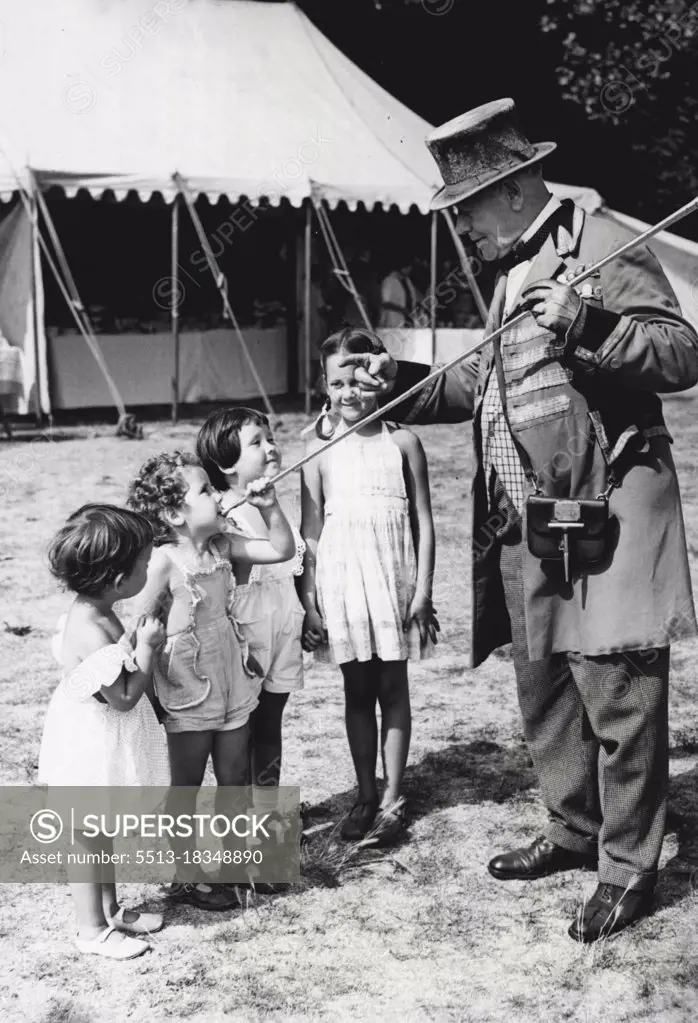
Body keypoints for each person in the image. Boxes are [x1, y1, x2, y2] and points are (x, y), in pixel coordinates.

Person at [339, 98, 698, 941]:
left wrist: (593, 324)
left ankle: (627, 865)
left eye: (464, 209)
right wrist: (392, 380)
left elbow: (682, 352)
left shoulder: (601, 243)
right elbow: (485, 383)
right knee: (545, 690)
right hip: (529, 520)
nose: (460, 226)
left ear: (510, 188)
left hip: (606, 510)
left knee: (618, 691)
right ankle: (574, 831)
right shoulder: (508, 267)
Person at [127, 451, 296, 910]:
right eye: (207, 490)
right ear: (174, 513)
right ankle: (187, 874)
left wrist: (269, 507)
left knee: (235, 777)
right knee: (185, 786)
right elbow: (136, 623)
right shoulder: (164, 561)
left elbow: (282, 550)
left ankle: (237, 864)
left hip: (232, 678)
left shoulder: (225, 544)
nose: (219, 497)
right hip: (187, 686)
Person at [300, 327, 439, 845]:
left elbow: (425, 522)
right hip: (343, 584)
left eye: (361, 380)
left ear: (381, 380)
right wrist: (310, 605)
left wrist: (422, 591)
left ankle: (392, 797)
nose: (350, 393)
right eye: (339, 382)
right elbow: (309, 533)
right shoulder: (316, 450)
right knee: (357, 691)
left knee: (392, 688)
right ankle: (364, 792)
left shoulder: (402, 442)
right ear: (325, 385)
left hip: (392, 583)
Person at [38, 504, 170, 960]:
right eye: (144, 566)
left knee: (101, 829)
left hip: (101, 736)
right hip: (89, 743)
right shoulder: (89, 628)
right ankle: (90, 930)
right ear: (118, 579)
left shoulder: (99, 609)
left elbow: (115, 667)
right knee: (87, 836)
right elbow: (125, 697)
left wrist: (132, 641)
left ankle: (112, 911)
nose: (149, 571)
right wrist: (149, 651)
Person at [196, 409, 305, 844]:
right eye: (256, 442)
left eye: (270, 436)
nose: (271, 447)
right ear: (226, 466)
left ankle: (269, 820)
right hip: (248, 629)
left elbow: (294, 560)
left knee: (272, 725)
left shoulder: (272, 502)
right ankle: (241, 833)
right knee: (241, 736)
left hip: (285, 621)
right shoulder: (222, 514)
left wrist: (308, 612)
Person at [378, 256, 425, 329]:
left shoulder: (407, 281)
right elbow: (385, 303)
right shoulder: (389, 281)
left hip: (408, 322)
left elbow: (414, 298)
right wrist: (402, 310)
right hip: (392, 322)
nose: (410, 270)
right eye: (409, 267)